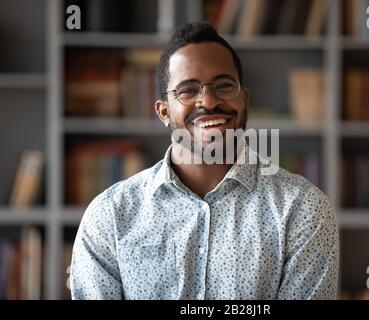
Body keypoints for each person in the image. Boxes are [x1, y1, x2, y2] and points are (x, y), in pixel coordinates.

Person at [70, 22, 339, 300]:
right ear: (163, 111)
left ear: (244, 99)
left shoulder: (302, 209)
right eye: (188, 90)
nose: (209, 101)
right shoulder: (110, 216)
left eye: (224, 86)